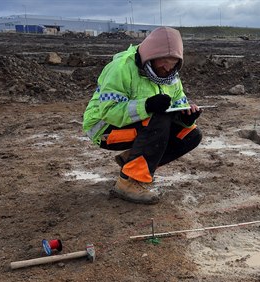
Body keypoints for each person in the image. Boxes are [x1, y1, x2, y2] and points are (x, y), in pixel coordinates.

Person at [83, 27, 202, 204]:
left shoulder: (171, 76)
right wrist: (146, 105)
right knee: (158, 118)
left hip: (140, 126)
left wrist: (186, 117)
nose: (167, 68)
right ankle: (129, 182)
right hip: (104, 129)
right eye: (163, 62)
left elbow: (178, 104)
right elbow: (108, 111)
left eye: (173, 63)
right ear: (151, 56)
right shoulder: (121, 67)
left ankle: (131, 160)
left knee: (191, 134)